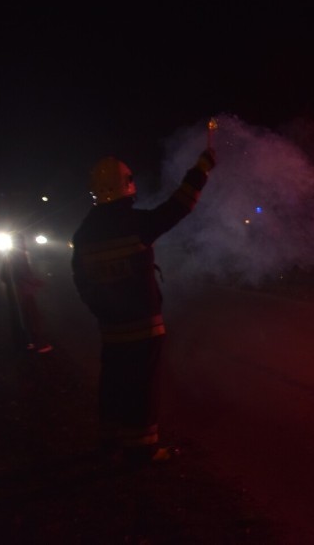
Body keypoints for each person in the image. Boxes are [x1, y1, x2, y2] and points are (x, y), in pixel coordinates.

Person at [71, 149, 216, 464]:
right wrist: (201, 168)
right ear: (127, 183)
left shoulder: (84, 234)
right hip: (143, 326)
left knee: (113, 385)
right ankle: (142, 449)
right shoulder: (135, 223)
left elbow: (81, 282)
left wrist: (102, 312)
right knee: (142, 388)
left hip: (111, 328)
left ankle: (110, 443)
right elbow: (179, 207)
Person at [0, 232, 53, 353]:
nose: (24, 244)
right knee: (33, 318)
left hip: (18, 293)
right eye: (22, 241)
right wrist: (35, 282)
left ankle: (28, 343)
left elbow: (3, 275)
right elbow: (23, 273)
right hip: (25, 291)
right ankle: (39, 344)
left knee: (25, 318)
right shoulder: (18, 255)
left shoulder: (9, 255)